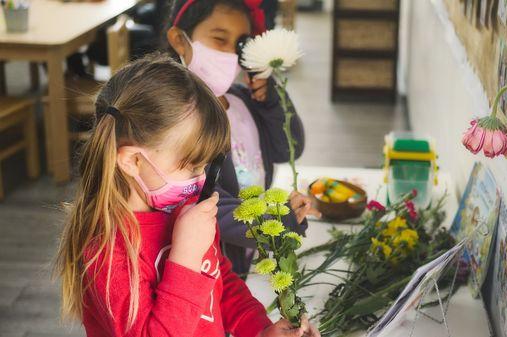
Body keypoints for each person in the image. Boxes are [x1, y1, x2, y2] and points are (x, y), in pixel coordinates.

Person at [54, 55, 319, 337]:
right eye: (191, 166)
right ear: (132, 161)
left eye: (205, 165)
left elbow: (221, 282)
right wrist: (185, 256)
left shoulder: (186, 207)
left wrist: (260, 329)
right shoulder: (107, 250)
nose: (202, 179)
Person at [164, 0, 321, 274]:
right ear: (180, 41)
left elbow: (287, 148)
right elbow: (205, 201)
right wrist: (277, 221)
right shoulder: (179, 122)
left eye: (238, 45)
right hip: (212, 265)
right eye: (219, 39)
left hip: (251, 248)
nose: (228, 54)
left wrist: (270, 99)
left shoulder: (242, 102)